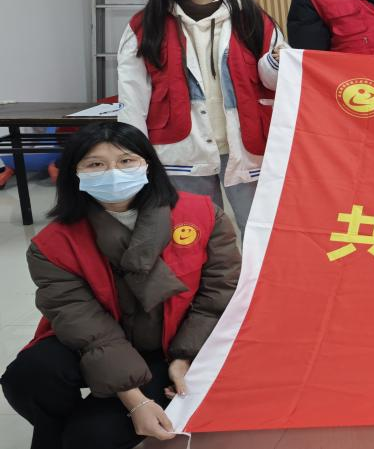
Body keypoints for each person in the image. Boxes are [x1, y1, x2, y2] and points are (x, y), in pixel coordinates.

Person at [1, 122, 241, 449]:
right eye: (95, 164)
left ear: (147, 164)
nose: (113, 173)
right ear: (74, 173)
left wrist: (185, 357)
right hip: (97, 342)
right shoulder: (52, 244)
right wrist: (135, 400)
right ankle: (56, 432)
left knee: (92, 436)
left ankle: (82, 430)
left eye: (126, 160)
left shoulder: (202, 215)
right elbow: (84, 324)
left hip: (172, 346)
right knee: (28, 376)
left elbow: (219, 294)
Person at [117, 0, 284, 235]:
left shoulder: (251, 17)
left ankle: (258, 271)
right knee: (194, 231)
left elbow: (273, 83)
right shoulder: (145, 24)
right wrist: (132, 151)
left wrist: (276, 61)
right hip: (179, 147)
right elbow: (132, 95)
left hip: (247, 141)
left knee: (261, 229)